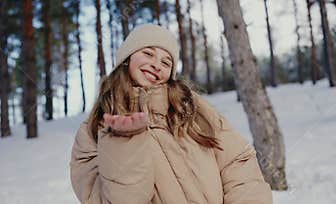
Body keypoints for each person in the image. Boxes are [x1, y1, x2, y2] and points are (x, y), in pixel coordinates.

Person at [69, 24, 273, 204]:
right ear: (126, 58)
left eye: (166, 62)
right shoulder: (92, 130)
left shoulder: (192, 108)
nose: (157, 64)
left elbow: (237, 163)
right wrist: (124, 144)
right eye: (148, 53)